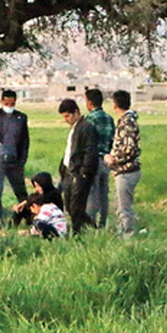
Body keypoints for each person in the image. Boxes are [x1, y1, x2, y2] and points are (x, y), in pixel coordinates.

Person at [0, 89, 30, 225]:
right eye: (7, 103)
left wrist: (22, 161)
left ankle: (28, 219)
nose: (9, 106)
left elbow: (25, 142)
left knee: (21, 193)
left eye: (12, 103)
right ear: (2, 101)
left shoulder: (21, 118)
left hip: (14, 161)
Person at [103, 89, 142, 236]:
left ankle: (127, 235)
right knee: (122, 207)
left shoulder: (126, 123)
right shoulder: (128, 121)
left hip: (126, 171)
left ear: (115, 105)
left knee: (124, 208)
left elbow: (129, 148)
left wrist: (113, 159)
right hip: (125, 170)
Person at [57, 98, 98, 234]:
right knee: (69, 206)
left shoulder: (86, 127)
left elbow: (89, 152)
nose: (66, 120)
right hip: (69, 172)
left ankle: (78, 233)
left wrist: (84, 173)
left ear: (76, 112)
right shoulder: (75, 128)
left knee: (76, 207)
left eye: (68, 116)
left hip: (79, 174)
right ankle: (92, 228)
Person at [83, 88, 115, 228]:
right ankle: (103, 222)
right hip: (106, 160)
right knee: (103, 193)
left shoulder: (90, 118)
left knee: (91, 193)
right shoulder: (109, 118)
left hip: (93, 160)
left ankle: (90, 222)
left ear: (89, 102)